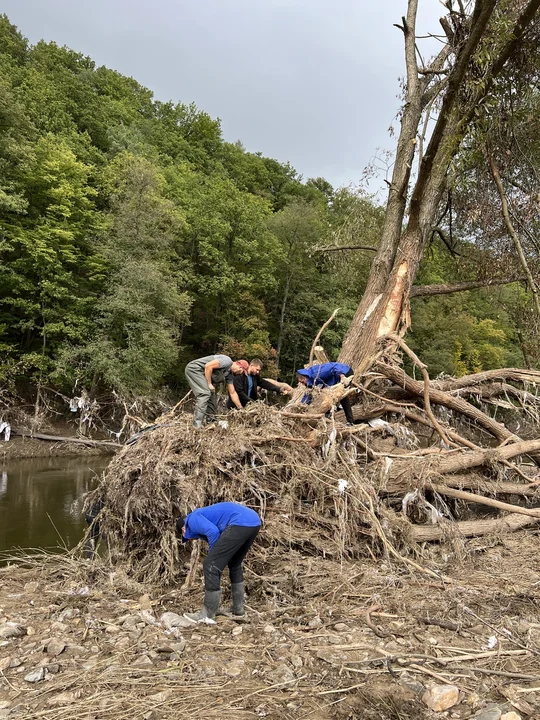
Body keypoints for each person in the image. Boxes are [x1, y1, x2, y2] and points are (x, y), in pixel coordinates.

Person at [177, 502, 261, 624]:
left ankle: (208, 615)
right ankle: (238, 610)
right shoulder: (203, 515)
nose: (191, 539)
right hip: (253, 521)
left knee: (210, 565)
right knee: (234, 563)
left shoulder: (192, 519)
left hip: (239, 522)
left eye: (187, 537)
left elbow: (213, 532)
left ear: (183, 530)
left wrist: (213, 557)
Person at [185, 354, 245, 427]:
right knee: (205, 394)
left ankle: (211, 420)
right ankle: (196, 424)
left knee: (212, 394)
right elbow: (208, 366)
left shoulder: (229, 375)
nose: (240, 374)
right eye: (241, 371)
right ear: (239, 366)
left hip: (202, 374)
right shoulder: (227, 361)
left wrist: (241, 408)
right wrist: (209, 384)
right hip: (195, 370)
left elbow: (232, 393)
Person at [227, 358, 293, 409]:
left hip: (247, 405)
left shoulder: (254, 376)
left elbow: (265, 384)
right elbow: (239, 392)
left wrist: (279, 389)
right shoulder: (240, 375)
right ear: (251, 365)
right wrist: (252, 402)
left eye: (259, 370)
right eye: (257, 369)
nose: (258, 372)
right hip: (236, 406)